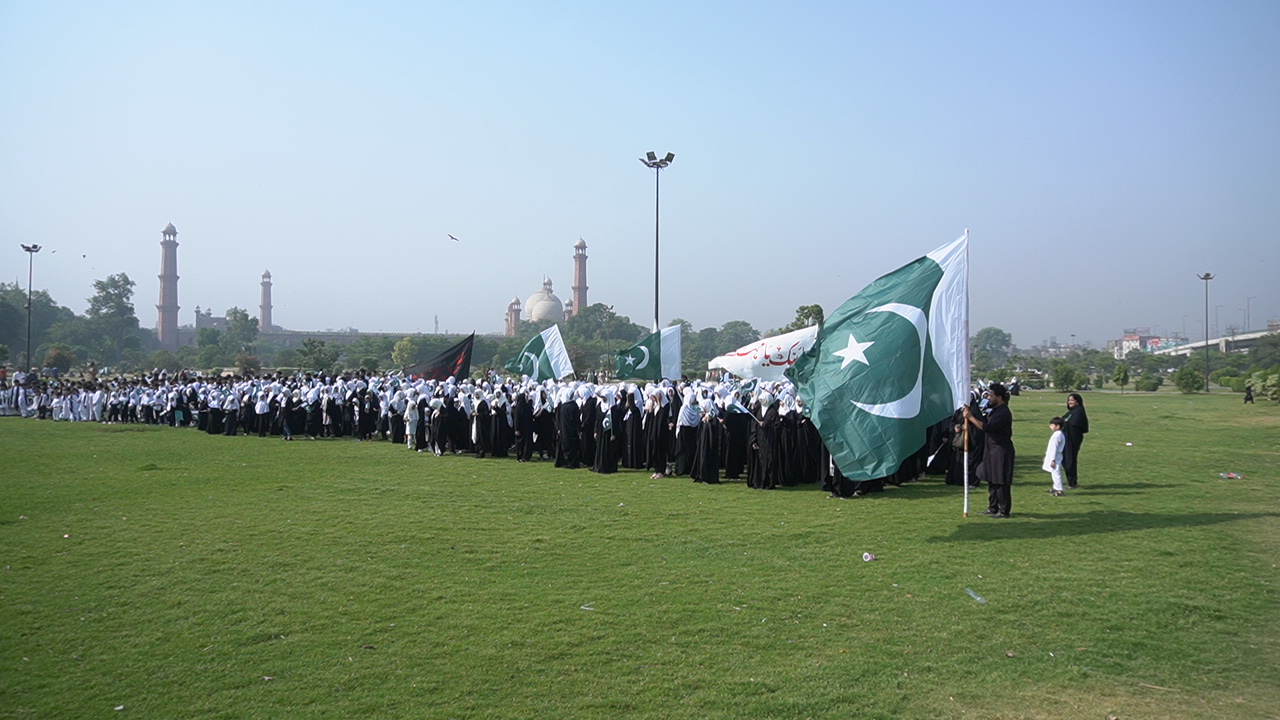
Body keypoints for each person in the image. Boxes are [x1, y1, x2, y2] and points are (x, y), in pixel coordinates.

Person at [964, 381, 1014, 517]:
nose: (988, 398)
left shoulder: (1003, 413)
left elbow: (987, 428)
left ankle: (1003, 510)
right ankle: (993, 507)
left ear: (999, 397)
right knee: (991, 479)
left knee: (1000, 481)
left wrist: (970, 417)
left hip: (1001, 450)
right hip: (991, 450)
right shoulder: (995, 411)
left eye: (991, 395)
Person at [1061, 393, 1089, 489]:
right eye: (1069, 400)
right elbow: (1063, 420)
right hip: (1066, 439)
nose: (1070, 402)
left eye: (1072, 400)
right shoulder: (1071, 412)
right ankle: (1070, 482)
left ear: (1077, 402)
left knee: (1070, 460)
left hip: (1073, 439)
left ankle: (1073, 483)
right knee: (1066, 460)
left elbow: (1075, 424)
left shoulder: (1079, 411)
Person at [1043, 417, 1066, 496]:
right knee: (1054, 473)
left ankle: (1060, 490)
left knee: (1056, 472)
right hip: (1053, 456)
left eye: (1052, 425)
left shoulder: (1057, 435)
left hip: (1055, 457)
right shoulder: (1057, 434)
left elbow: (1054, 448)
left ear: (1058, 426)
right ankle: (1056, 487)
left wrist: (1052, 459)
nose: (1050, 426)